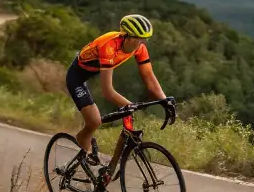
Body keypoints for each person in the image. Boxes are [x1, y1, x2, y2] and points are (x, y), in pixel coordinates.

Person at [66, 14, 175, 164]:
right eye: (140, 38)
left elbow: (149, 77)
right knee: (95, 121)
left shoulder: (139, 48)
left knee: (126, 114)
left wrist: (164, 100)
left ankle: (108, 167)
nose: (143, 42)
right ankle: (83, 139)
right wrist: (128, 104)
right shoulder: (109, 47)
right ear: (128, 37)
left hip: (95, 69)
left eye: (145, 39)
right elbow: (107, 91)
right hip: (77, 76)